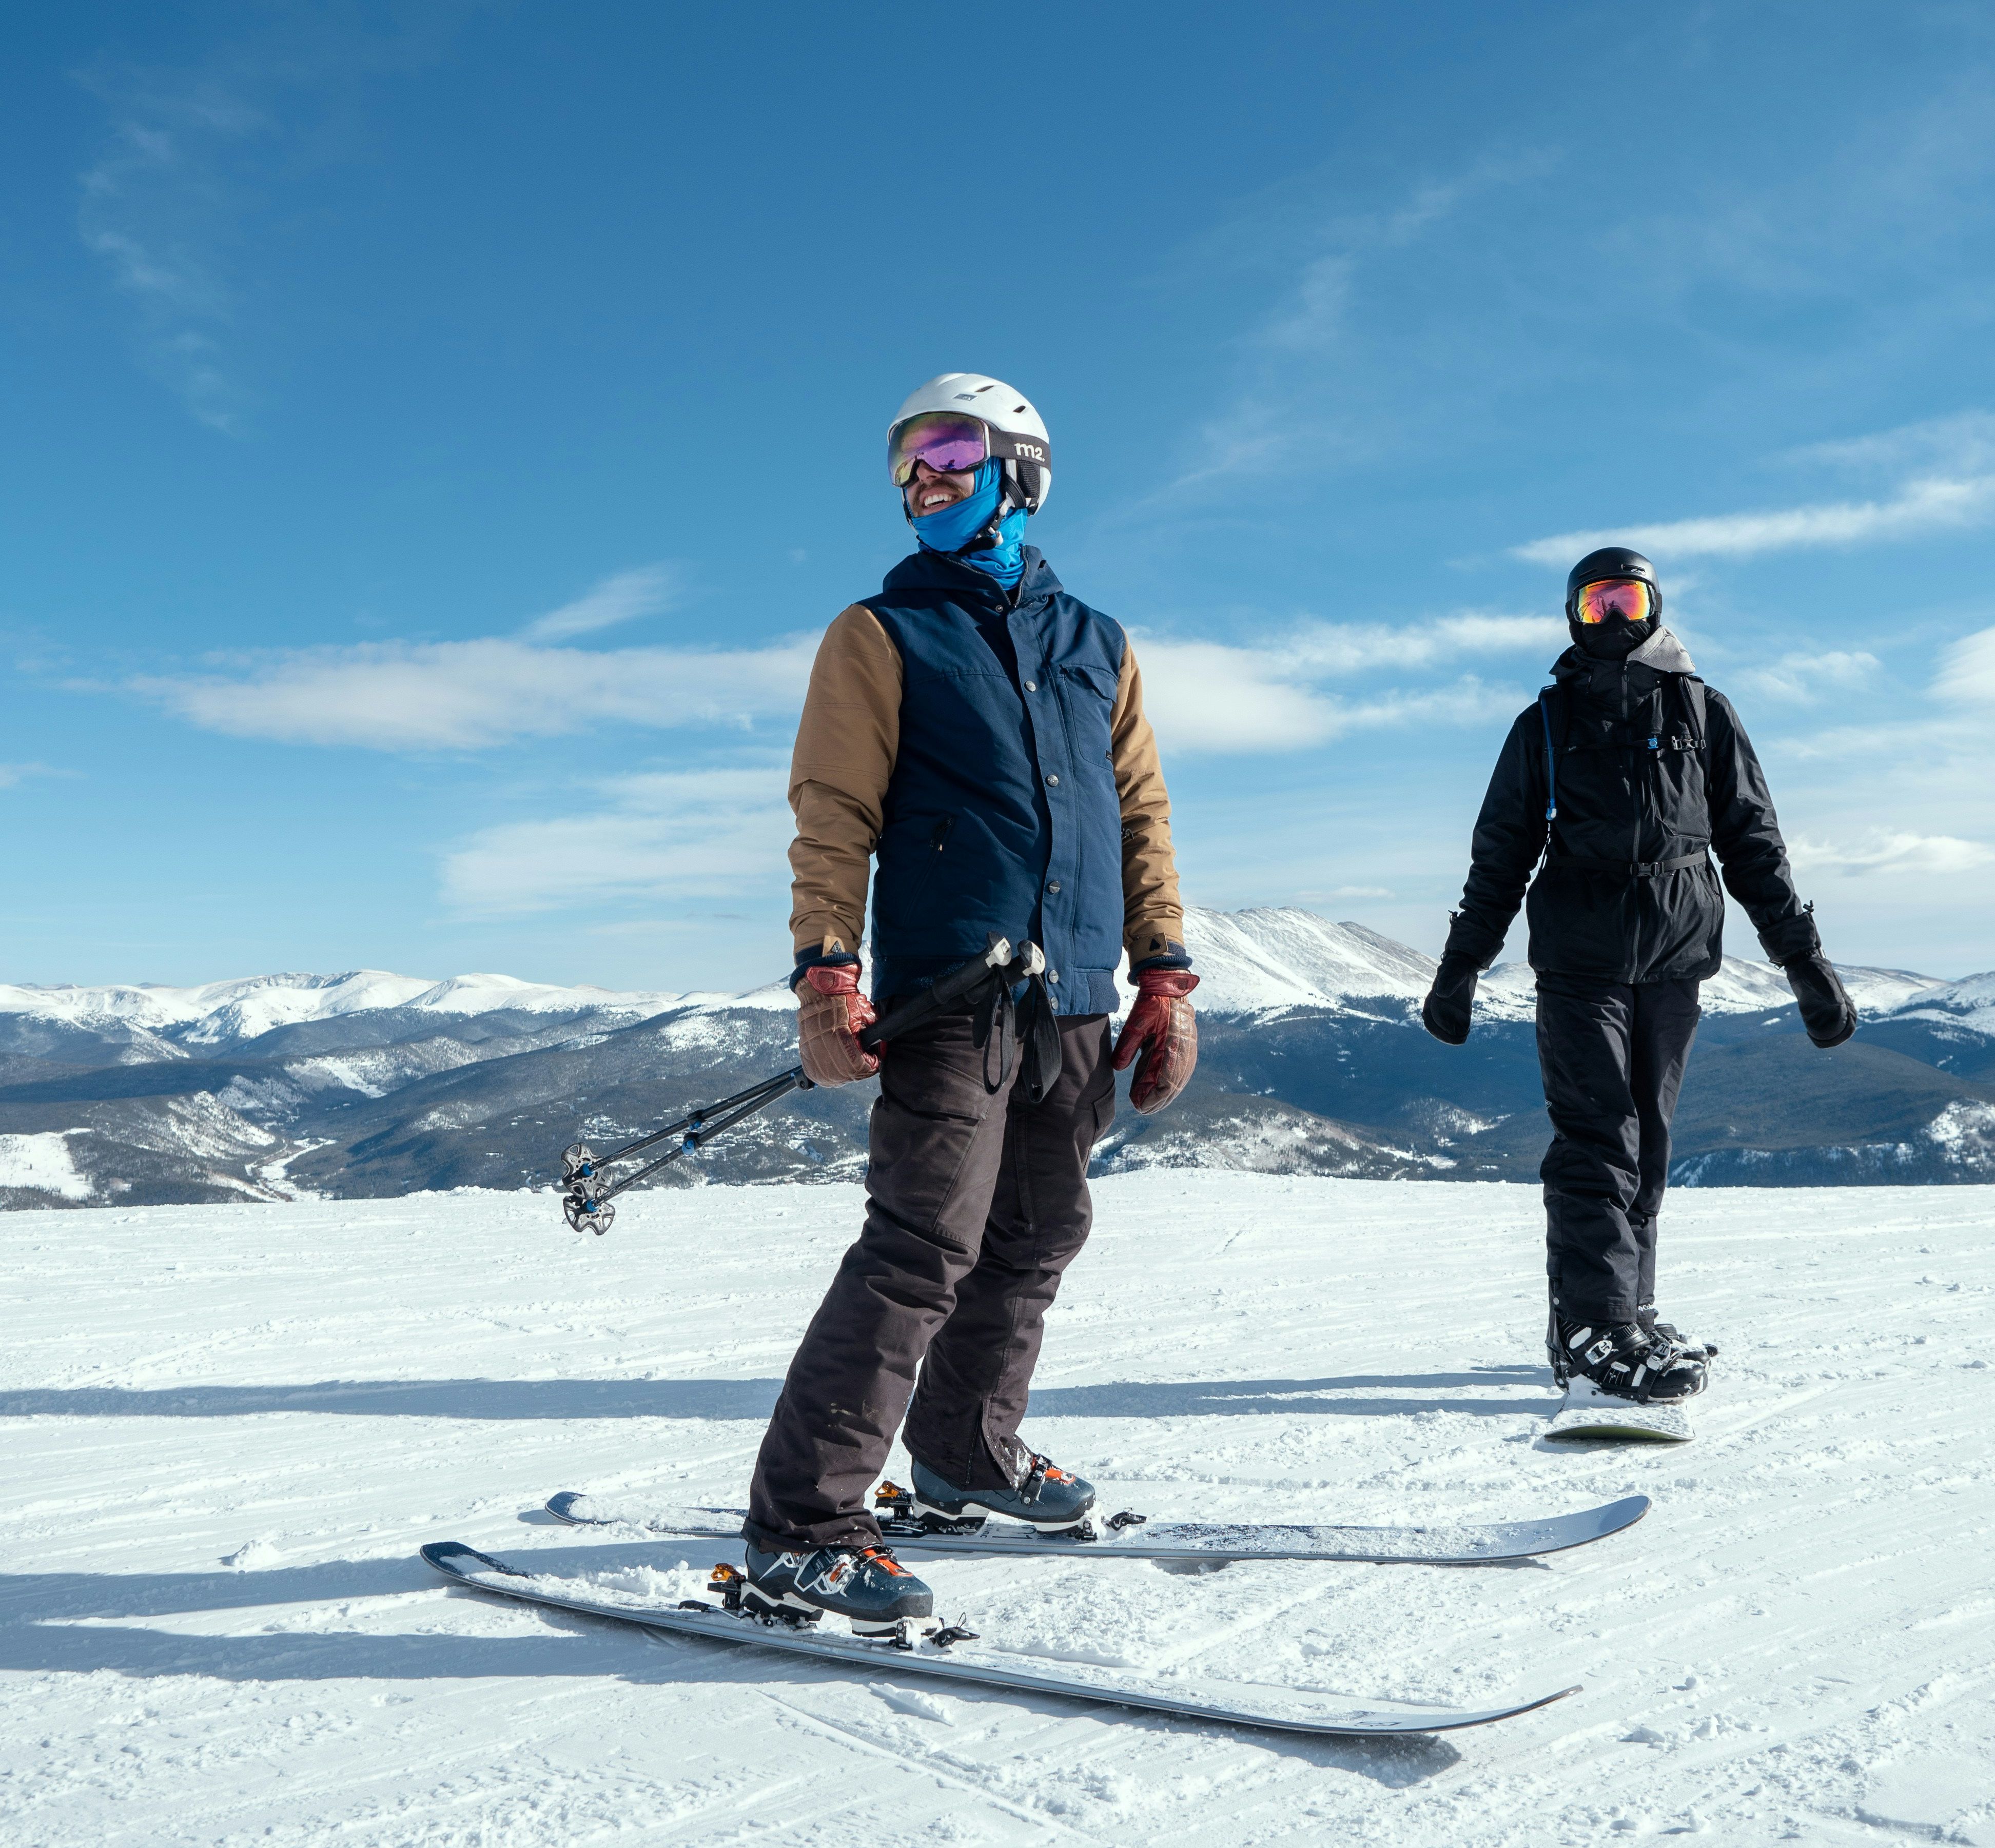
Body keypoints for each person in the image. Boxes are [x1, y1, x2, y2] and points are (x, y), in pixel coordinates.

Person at [739, 373, 1199, 1634]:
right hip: (955, 989)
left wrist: (1163, 971)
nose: (922, 481)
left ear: (1022, 468)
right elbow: (831, 814)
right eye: (906, 465)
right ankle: (804, 1525)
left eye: (948, 453)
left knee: (1041, 1233)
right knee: (919, 1250)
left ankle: (964, 1454)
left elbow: (1140, 813)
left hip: (1078, 999)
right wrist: (828, 969)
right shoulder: (880, 634)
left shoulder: (1098, 641)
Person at [1421, 546, 1854, 1406]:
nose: (1614, 619)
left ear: (1656, 606)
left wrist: (1804, 962)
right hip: (1580, 964)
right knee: (1599, 1141)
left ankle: (1627, 1311)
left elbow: (1754, 845)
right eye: (1596, 605)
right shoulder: (1545, 722)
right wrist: (1460, 966)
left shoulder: (1704, 712)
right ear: (1572, 617)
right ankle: (1591, 1335)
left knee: (1649, 1145)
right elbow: (1500, 856)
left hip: (1676, 961)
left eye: (1628, 599)